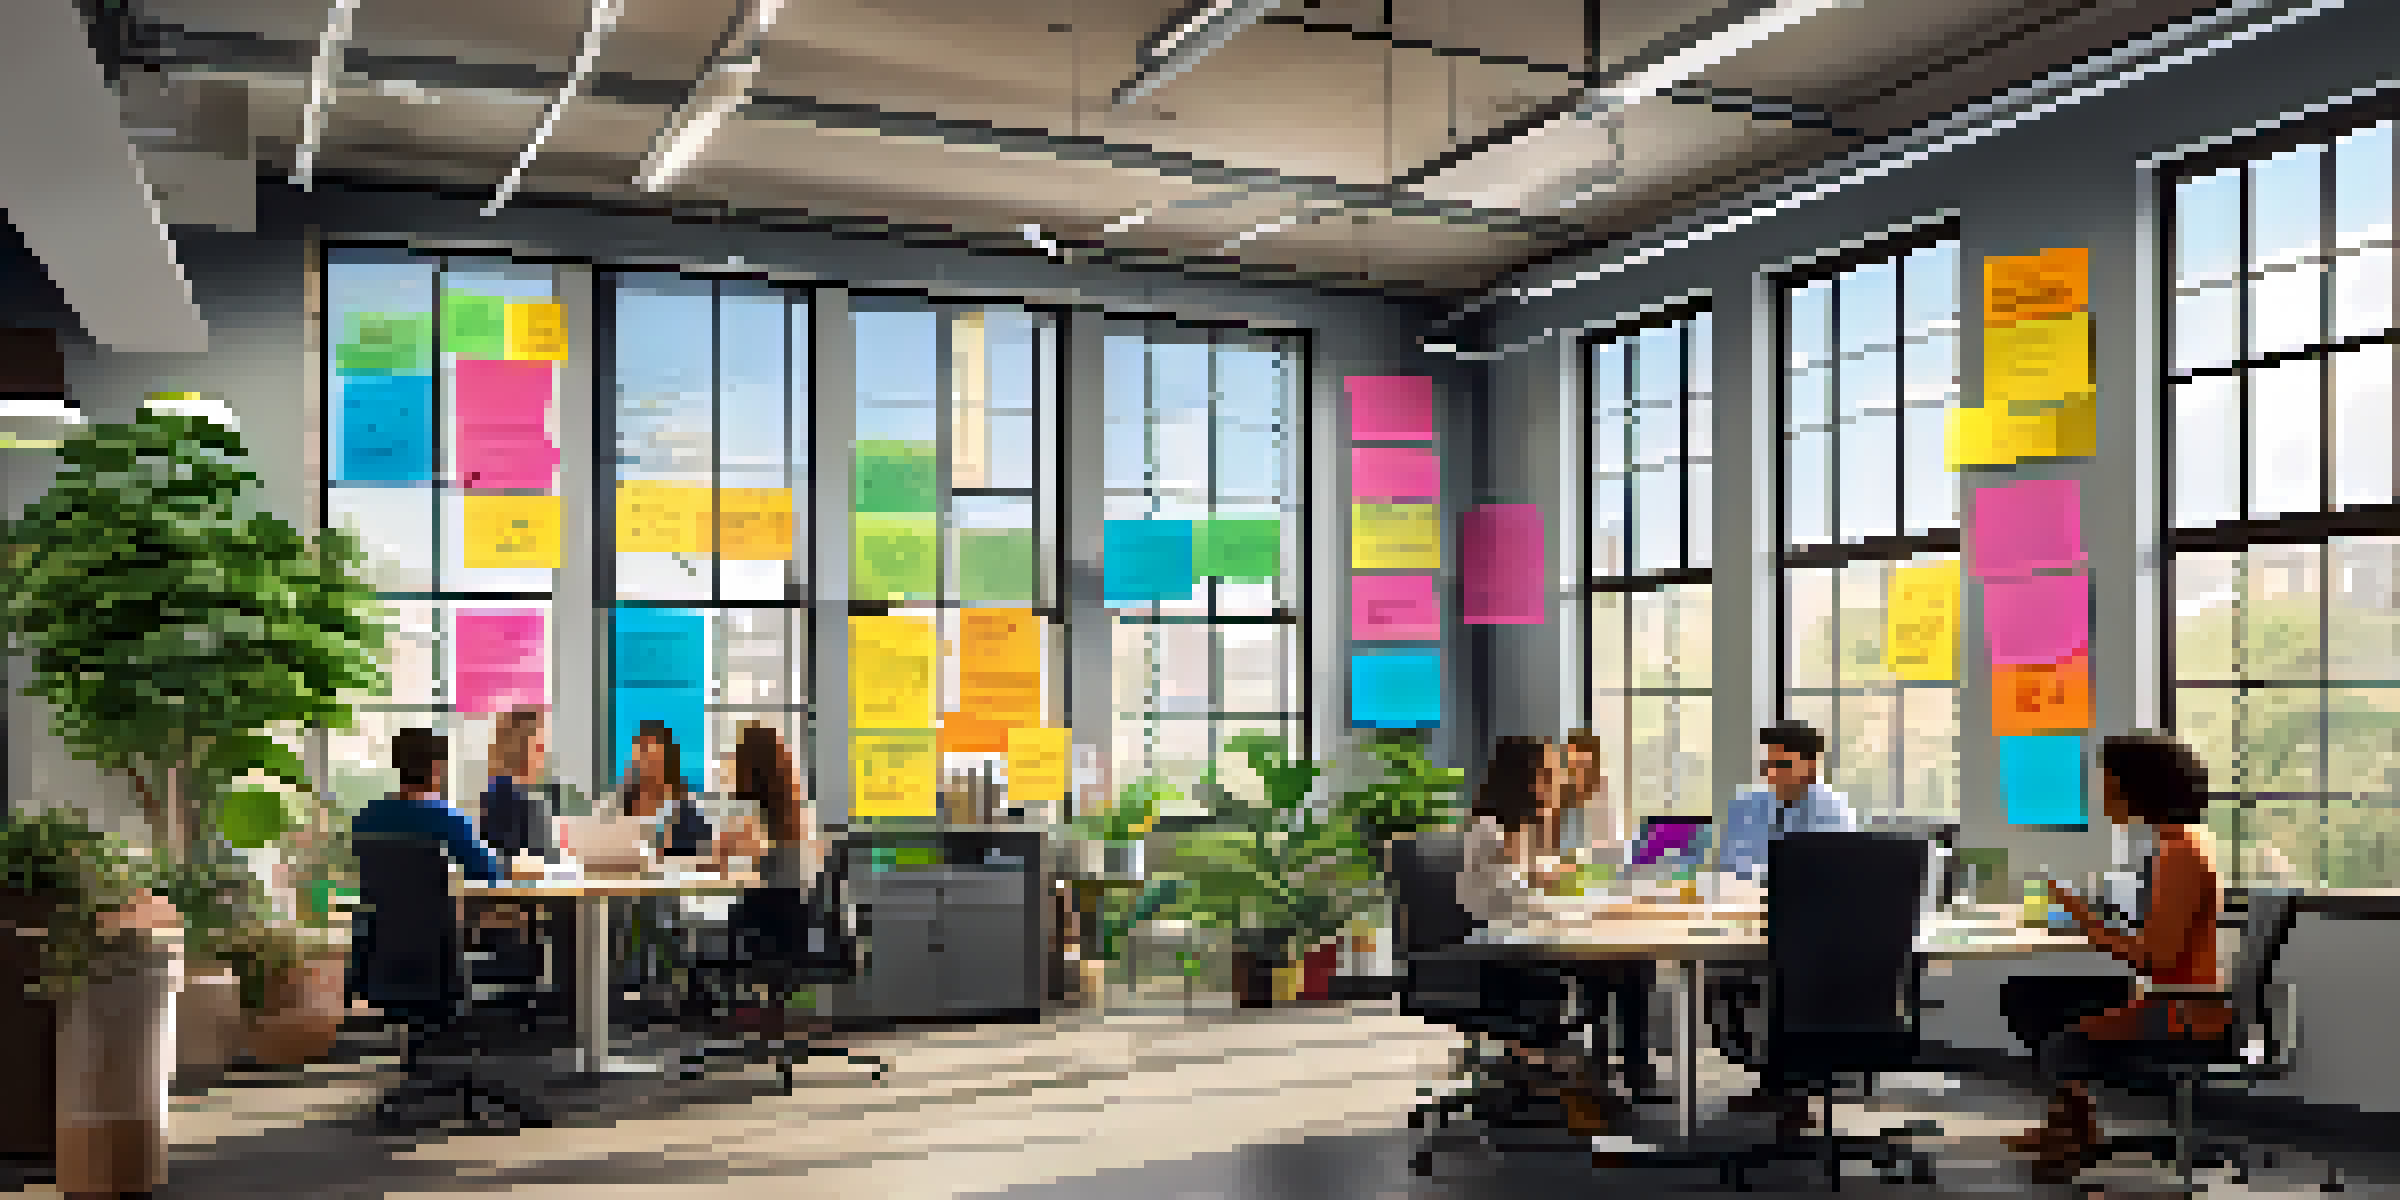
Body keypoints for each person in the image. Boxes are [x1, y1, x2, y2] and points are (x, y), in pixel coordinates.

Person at [2000, 733, 2229, 1183]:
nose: (2102, 797)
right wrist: (2091, 919)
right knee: (2031, 997)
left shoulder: (2180, 853)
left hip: (2182, 1008)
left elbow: (2153, 959)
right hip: (2179, 996)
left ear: (2137, 789)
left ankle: (2074, 1141)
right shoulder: (2182, 842)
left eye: (2108, 784)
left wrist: (2085, 921)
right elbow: (2159, 944)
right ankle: (2070, 1127)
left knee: (2061, 1042)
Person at [1456, 735, 1623, 1135]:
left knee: (1613, 971)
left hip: (1518, 942)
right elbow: (1514, 901)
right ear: (1523, 780)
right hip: (1497, 955)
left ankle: (1589, 1078)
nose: (1557, 782)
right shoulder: (1489, 831)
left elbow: (1530, 887)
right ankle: (1570, 1081)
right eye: (1547, 774)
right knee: (1602, 973)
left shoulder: (1516, 828)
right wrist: (1583, 908)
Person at [1712, 720, 1857, 1130]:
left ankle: (1793, 1087)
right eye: (1766, 763)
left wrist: (1762, 872)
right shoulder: (1746, 805)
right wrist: (1766, 874)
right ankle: (1773, 1080)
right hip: (1749, 917)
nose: (1770, 773)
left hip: (1813, 925)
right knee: (1725, 979)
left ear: (1810, 766)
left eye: (1781, 763)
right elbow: (1729, 867)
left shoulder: (1832, 808)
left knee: (1790, 979)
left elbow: (1824, 871)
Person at [1558, 728, 1667, 1103]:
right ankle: (1606, 1066)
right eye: (1572, 760)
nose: (1578, 769)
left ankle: (1631, 1066)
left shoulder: (1601, 789)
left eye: (1585, 761)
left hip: (1591, 898)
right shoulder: (1545, 801)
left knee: (1635, 962)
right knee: (1609, 965)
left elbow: (1610, 849)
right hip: (1553, 919)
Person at [353, 727, 502, 883]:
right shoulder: (443, 817)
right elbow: (487, 872)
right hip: (431, 907)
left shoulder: (366, 816)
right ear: (436, 767)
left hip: (374, 908)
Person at [621, 719, 714, 858]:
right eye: (640, 754)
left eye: (651, 760)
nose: (643, 766)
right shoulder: (621, 808)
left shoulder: (690, 815)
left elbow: (701, 857)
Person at [478, 706, 548, 861]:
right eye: (539, 747)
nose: (543, 756)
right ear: (522, 751)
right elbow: (539, 861)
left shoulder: (494, 792)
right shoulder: (520, 801)